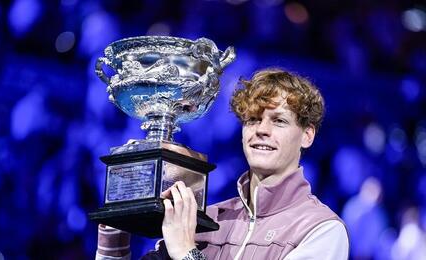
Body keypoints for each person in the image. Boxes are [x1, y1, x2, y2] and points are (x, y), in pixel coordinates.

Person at [96, 68, 349, 260]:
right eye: (252, 119)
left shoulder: (321, 229)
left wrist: (187, 253)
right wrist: (114, 235)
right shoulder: (206, 219)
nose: (262, 130)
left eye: (279, 121)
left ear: (307, 135)